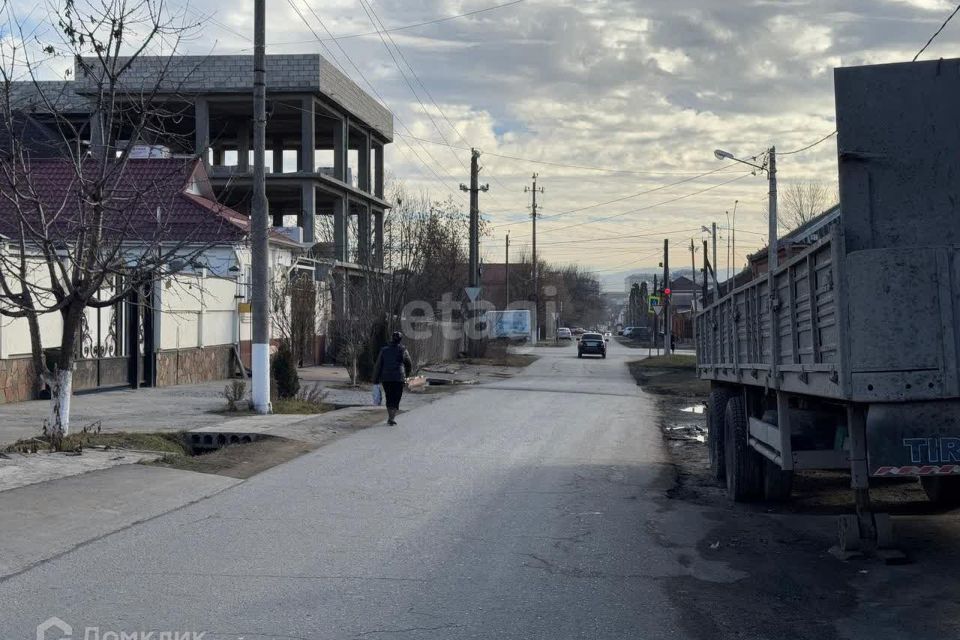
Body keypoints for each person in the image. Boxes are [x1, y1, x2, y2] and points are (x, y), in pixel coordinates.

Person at [373, 331, 413, 425]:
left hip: (386, 378)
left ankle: (390, 417)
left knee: (389, 396)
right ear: (400, 339)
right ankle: (392, 417)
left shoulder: (384, 350)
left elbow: (378, 365)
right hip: (398, 378)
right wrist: (407, 375)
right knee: (396, 397)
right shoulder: (403, 350)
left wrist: (375, 378)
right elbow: (409, 364)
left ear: (391, 338)